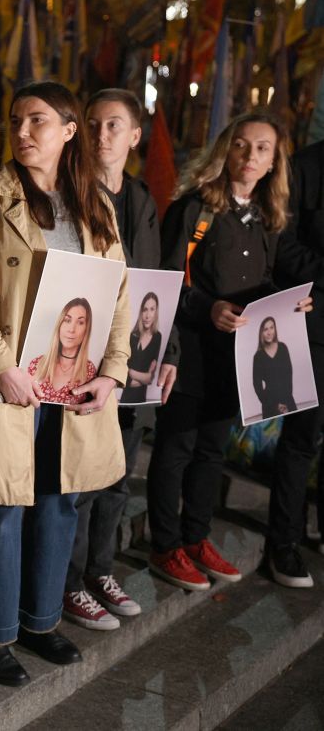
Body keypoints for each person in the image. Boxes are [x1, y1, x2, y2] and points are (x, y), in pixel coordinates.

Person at [0, 81, 130, 686]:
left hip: (73, 381)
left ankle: (39, 620)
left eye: (38, 120)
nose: (22, 132)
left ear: (69, 130)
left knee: (59, 499)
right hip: (10, 383)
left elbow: (119, 293)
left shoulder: (94, 203)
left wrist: (112, 372)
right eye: (16, 119)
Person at [149, 112, 310, 593]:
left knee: (213, 450)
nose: (250, 156)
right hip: (192, 348)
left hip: (237, 357)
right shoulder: (195, 207)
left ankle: (197, 536)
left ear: (273, 161)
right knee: (175, 448)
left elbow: (268, 279)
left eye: (262, 149)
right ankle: (164, 544)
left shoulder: (268, 215)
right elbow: (166, 280)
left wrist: (292, 301)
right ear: (226, 149)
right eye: (242, 145)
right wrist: (207, 307)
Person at [62, 89, 175, 631]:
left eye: (114, 126)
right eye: (93, 124)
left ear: (135, 136)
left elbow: (152, 284)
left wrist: (165, 353)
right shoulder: (70, 192)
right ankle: (67, 581)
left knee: (118, 474)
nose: (101, 135)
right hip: (88, 360)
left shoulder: (141, 200)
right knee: (81, 479)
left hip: (135, 363)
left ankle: (99, 571)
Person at [268, 136, 324, 587]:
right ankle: (282, 543)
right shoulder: (304, 166)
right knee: (302, 435)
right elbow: (282, 245)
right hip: (313, 322)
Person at [28, 298, 98, 405]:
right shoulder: (36, 364)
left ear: (86, 330)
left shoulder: (89, 370)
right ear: (59, 325)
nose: (71, 329)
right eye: (67, 320)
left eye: (80, 322)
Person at [121, 292, 163, 404]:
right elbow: (123, 373)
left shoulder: (157, 337)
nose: (147, 315)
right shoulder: (132, 336)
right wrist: (142, 377)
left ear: (156, 312)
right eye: (145, 309)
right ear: (141, 312)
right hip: (124, 398)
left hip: (141, 399)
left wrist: (131, 372)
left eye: (152, 309)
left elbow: (150, 378)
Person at [252, 317, 297, 419]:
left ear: (275, 329)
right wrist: (273, 405)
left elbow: (289, 375)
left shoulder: (283, 348)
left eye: (271, 327)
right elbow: (257, 384)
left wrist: (286, 401)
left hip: (287, 398)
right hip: (269, 404)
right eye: (265, 329)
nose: (269, 332)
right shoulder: (258, 357)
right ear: (261, 333)